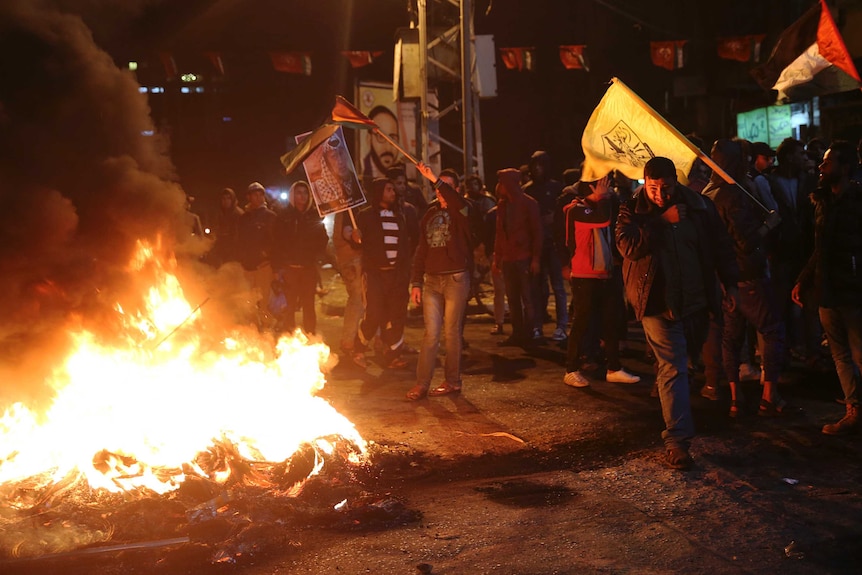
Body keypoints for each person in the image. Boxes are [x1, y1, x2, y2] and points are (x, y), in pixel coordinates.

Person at [617, 157, 738, 470]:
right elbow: (628, 246)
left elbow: (721, 245)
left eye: (665, 188)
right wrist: (660, 222)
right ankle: (677, 441)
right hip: (657, 304)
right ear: (645, 182)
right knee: (673, 366)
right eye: (653, 188)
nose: (659, 195)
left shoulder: (699, 206)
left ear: (676, 181)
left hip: (696, 302)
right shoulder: (632, 206)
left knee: (685, 362)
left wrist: (730, 285)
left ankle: (670, 390)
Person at [702, 139, 790, 419]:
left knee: (731, 336)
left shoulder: (708, 193)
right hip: (746, 274)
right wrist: (769, 225)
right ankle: (768, 396)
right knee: (772, 328)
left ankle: (735, 399)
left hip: (723, 277)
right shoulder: (733, 195)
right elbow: (747, 241)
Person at [792, 140, 862, 435]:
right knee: (840, 355)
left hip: (854, 291)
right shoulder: (821, 201)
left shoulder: (857, 200)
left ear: (844, 168)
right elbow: (820, 248)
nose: (820, 167)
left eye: (827, 162)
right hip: (828, 291)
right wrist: (803, 280)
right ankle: (854, 410)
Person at [562, 175, 640, 387]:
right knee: (582, 322)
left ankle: (613, 367)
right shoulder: (576, 209)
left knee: (610, 320)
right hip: (583, 275)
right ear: (591, 187)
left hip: (604, 273)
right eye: (603, 183)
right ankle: (571, 369)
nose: (608, 187)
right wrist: (603, 197)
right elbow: (602, 220)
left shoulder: (601, 206)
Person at [406, 165, 473, 400]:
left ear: (456, 189)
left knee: (451, 331)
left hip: (456, 278)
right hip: (432, 280)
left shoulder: (464, 210)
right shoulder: (430, 213)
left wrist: (434, 178)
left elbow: (457, 203)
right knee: (430, 334)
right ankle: (422, 384)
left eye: (445, 186)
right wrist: (416, 282)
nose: (439, 190)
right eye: (437, 186)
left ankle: (453, 381)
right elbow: (421, 249)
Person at [350, 177, 412, 370]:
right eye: (389, 189)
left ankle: (392, 354)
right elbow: (357, 244)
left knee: (395, 314)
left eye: (393, 189)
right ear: (379, 193)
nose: (393, 193)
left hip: (396, 275)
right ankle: (358, 349)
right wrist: (355, 237)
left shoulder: (399, 216)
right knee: (374, 314)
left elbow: (405, 244)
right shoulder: (365, 215)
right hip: (375, 274)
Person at [270, 181, 328, 336]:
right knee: (289, 306)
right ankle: (289, 337)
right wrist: (276, 269)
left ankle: (310, 335)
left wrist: (315, 254)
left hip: (308, 269)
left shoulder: (314, 215)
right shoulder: (283, 216)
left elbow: (323, 239)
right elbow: (276, 243)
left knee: (309, 305)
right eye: (298, 192)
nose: (302, 196)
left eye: (305, 192)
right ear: (292, 196)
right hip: (289, 270)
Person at [493, 168, 543, 348]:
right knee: (513, 298)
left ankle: (530, 333)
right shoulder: (502, 206)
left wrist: (535, 258)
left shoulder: (529, 204)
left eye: (502, 183)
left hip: (524, 257)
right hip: (509, 259)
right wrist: (497, 258)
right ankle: (518, 333)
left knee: (528, 297)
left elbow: (537, 233)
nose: (499, 187)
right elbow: (499, 233)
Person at [523, 150, 568, 342]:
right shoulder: (528, 189)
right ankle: (537, 326)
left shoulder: (557, 187)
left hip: (555, 244)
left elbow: (566, 213)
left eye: (541, 165)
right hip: (536, 246)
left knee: (558, 286)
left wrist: (554, 219)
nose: (538, 169)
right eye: (535, 165)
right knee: (537, 288)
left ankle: (561, 326)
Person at [237, 182, 277, 325]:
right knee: (249, 303)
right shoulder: (244, 218)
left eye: (261, 194)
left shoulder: (270, 216)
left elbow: (276, 241)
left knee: (263, 302)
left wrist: (266, 255)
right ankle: (253, 333)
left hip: (263, 267)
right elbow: (240, 240)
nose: (258, 198)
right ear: (249, 197)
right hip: (247, 268)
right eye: (255, 195)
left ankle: (266, 331)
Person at [333, 207, 365, 367]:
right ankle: (349, 341)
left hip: (352, 260)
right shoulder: (345, 209)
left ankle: (353, 340)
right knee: (357, 301)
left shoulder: (349, 208)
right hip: (352, 260)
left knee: (360, 301)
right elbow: (341, 237)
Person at [362, 106, 400, 185]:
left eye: (392, 138)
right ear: (369, 139)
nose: (388, 147)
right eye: (381, 137)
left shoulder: (401, 176)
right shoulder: (362, 176)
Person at [209, 187, 244, 266]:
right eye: (223, 199)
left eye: (228, 198)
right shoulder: (221, 214)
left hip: (234, 252)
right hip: (223, 250)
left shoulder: (238, 214)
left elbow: (239, 236)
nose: (226, 201)